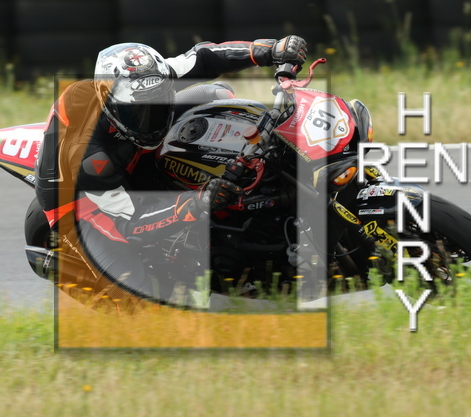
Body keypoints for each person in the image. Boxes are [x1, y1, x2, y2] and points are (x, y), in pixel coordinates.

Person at [34, 36, 308, 307]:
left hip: (132, 148)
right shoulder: (91, 156)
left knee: (218, 95)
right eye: (139, 111)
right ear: (112, 106)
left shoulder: (153, 76)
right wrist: (197, 202)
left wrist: (269, 50)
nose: (152, 117)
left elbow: (204, 57)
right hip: (81, 201)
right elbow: (132, 221)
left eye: (158, 103)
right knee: (144, 304)